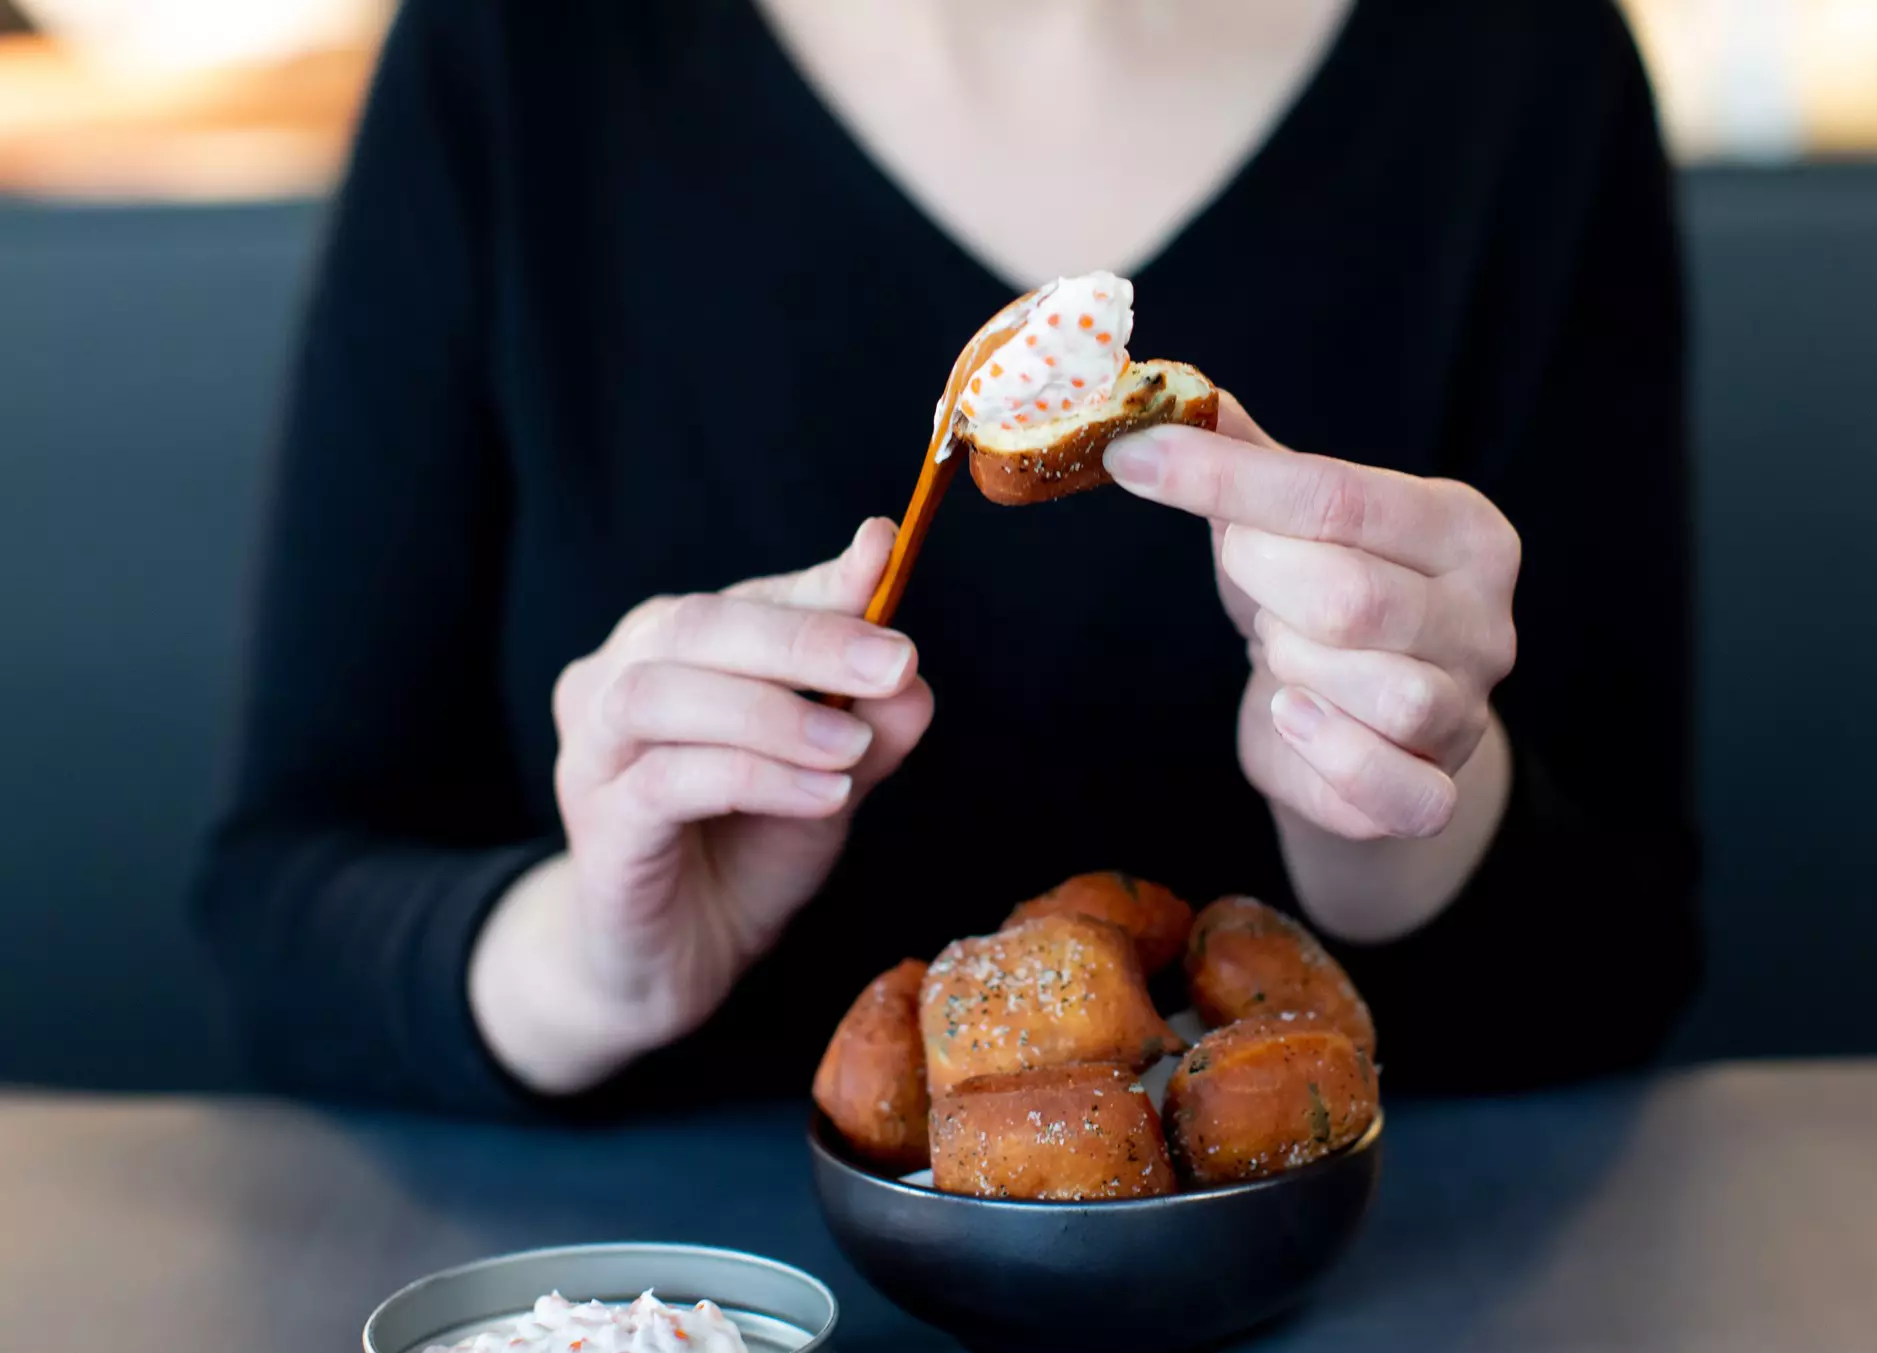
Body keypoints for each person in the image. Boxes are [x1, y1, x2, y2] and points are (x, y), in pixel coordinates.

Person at [194, 0, 1698, 1115]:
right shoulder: (519, 58)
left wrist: (1402, 820)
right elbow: (280, 912)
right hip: (652, 1324)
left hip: (1356, 1305)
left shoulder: (1519, 68)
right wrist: (589, 963)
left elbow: (1626, 962)